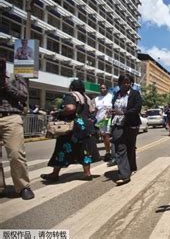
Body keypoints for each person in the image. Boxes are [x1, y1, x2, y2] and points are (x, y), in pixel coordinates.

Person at [41, 80, 100, 182]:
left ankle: (55, 174)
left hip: (73, 127)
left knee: (61, 149)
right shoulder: (86, 98)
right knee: (84, 150)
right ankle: (87, 173)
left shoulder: (71, 96)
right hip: (85, 127)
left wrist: (59, 112)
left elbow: (70, 108)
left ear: (72, 87)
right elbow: (93, 110)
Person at [0, 57, 34, 200]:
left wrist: (4, 83)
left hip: (11, 117)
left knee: (16, 154)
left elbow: (23, 96)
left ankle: (23, 186)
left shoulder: (15, 76)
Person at [110, 74, 142, 186]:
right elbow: (115, 108)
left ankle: (132, 167)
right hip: (117, 124)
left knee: (130, 147)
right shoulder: (116, 95)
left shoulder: (135, 94)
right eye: (124, 82)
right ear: (119, 83)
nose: (126, 84)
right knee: (120, 148)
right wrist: (111, 112)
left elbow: (137, 108)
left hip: (131, 124)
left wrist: (123, 112)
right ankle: (124, 175)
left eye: (128, 82)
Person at [94, 84, 113, 162]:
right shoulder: (96, 99)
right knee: (104, 136)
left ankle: (110, 152)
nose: (102, 89)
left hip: (108, 118)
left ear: (107, 89)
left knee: (107, 135)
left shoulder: (111, 97)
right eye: (101, 88)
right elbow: (95, 109)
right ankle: (108, 152)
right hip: (100, 119)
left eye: (104, 88)